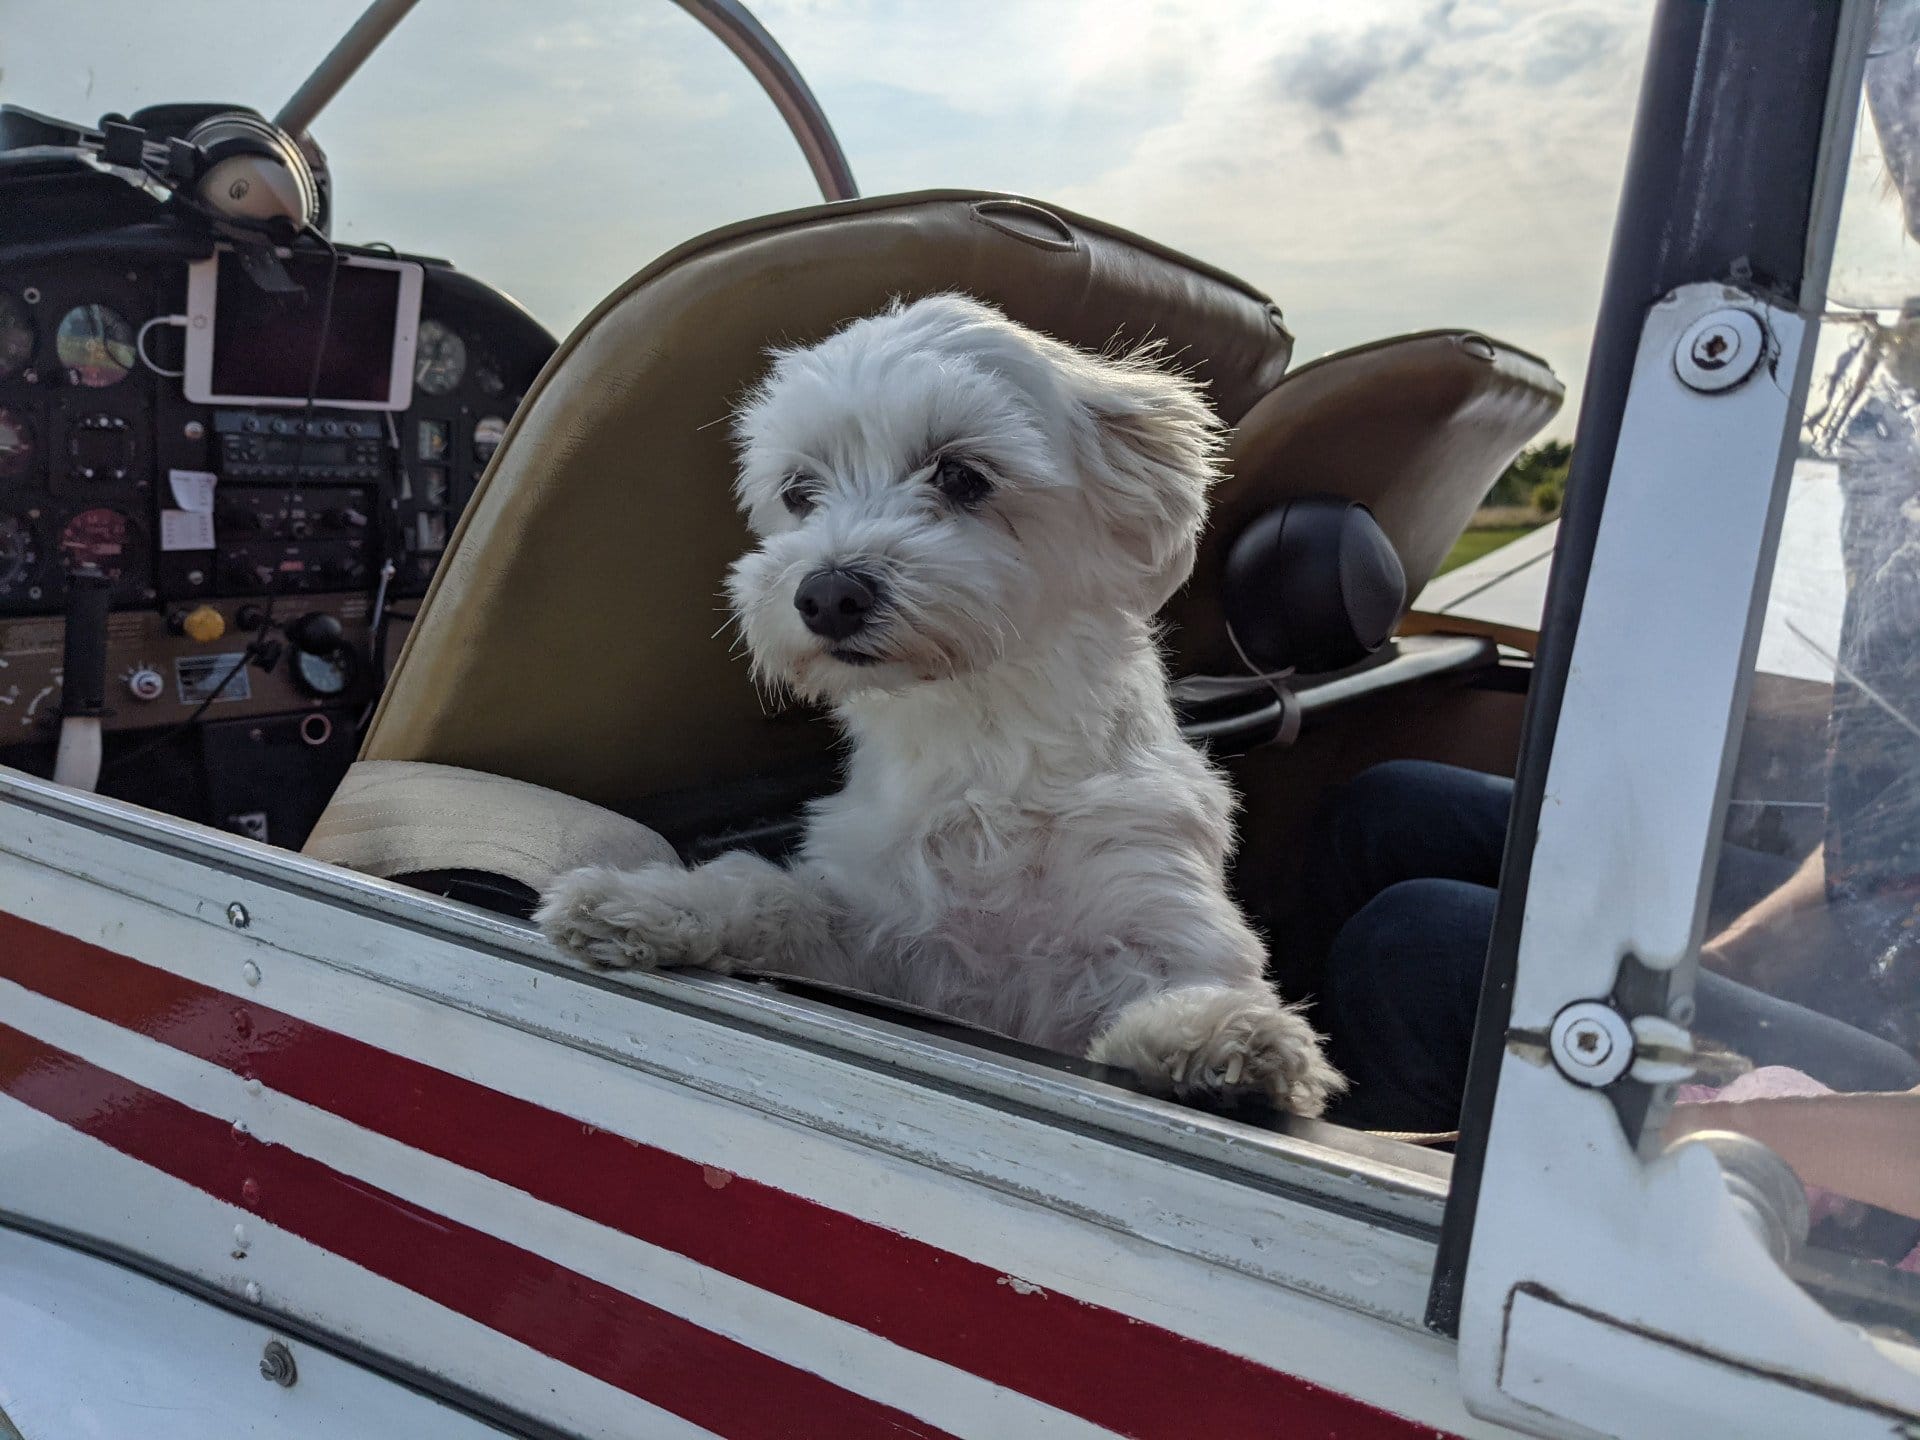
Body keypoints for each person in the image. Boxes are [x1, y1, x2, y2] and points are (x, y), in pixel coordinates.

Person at [1310, 0, 1920, 1136]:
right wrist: (1740, 952)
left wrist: (1683, 1043)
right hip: (1880, 943)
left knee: (1422, 946)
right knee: (1389, 811)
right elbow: (1897, 826)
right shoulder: (1906, 405)